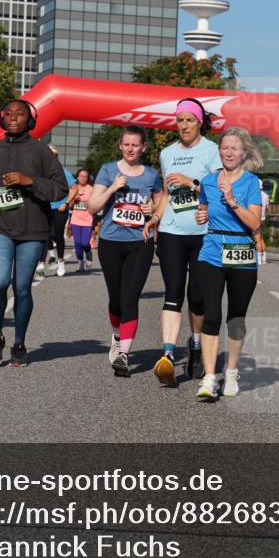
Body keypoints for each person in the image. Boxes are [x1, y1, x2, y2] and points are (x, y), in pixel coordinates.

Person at [0, 99, 69, 367]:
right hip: (0, 225)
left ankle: (19, 342)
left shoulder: (42, 152)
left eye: (19, 114)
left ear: (30, 120)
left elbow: (60, 189)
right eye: (8, 114)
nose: (13, 118)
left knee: (21, 287)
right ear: (1, 118)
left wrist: (30, 181)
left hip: (32, 229)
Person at [144, 98, 223, 386]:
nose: (184, 125)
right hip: (172, 232)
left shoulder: (212, 151)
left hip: (204, 234)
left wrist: (192, 183)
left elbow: (217, 190)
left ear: (200, 121)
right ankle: (167, 355)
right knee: (173, 292)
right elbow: (165, 192)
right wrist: (155, 217)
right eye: (180, 120)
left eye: (190, 120)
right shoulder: (167, 153)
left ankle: (196, 346)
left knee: (198, 298)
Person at [193, 127, 263, 400]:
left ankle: (231, 370)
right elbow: (203, 209)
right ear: (219, 151)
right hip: (211, 252)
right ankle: (210, 377)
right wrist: (202, 215)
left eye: (234, 148)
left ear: (243, 152)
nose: (229, 152)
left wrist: (232, 200)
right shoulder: (208, 182)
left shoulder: (250, 182)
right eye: (225, 148)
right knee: (211, 315)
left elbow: (255, 222)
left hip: (242, 252)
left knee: (236, 318)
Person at [90, 125, 160, 377]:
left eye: (135, 145)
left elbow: (160, 201)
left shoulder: (151, 175)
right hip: (110, 242)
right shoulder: (108, 170)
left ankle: (123, 355)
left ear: (143, 147)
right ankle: (117, 336)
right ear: (120, 145)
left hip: (140, 243)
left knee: (131, 297)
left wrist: (154, 213)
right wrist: (112, 188)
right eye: (126, 144)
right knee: (116, 298)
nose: (131, 148)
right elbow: (91, 207)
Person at [35, 144, 76, 278]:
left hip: (60, 207)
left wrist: (66, 203)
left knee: (57, 236)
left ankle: (61, 262)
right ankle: (41, 264)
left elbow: (75, 189)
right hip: (45, 207)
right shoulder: (41, 172)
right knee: (44, 235)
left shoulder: (64, 172)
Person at [64, 167, 95, 272]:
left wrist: (88, 203)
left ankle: (88, 253)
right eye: (81, 176)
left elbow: (95, 205)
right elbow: (70, 205)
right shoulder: (73, 188)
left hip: (87, 220)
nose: (83, 178)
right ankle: (80, 263)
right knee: (77, 243)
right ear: (77, 177)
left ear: (88, 178)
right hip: (75, 220)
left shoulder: (91, 189)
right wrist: (73, 200)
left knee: (85, 243)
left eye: (85, 176)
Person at [255, 178, 269, 265]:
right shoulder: (266, 195)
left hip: (256, 218)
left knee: (257, 238)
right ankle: (264, 258)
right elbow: (267, 208)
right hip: (263, 218)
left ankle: (259, 259)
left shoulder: (255, 194)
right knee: (261, 237)